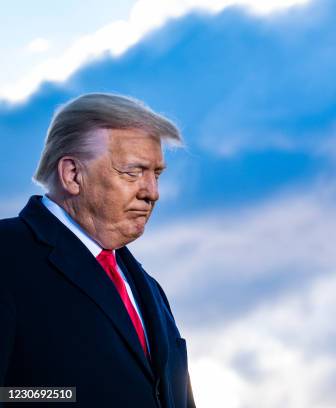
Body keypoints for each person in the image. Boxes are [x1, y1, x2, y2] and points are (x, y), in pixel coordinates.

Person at [0, 93, 196, 407]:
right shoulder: (7, 254)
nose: (152, 193)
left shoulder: (149, 288)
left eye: (156, 174)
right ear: (72, 175)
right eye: (133, 172)